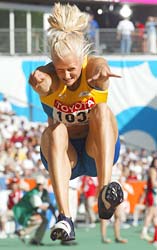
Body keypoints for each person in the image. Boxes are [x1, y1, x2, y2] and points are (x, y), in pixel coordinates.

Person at [29, 3, 124, 243]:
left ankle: (105, 191)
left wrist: (102, 72)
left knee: (102, 110)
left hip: (96, 152)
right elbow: (45, 82)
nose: (67, 76)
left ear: (81, 60)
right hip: (65, 157)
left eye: (71, 69)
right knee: (55, 129)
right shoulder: (50, 76)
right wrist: (38, 82)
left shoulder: (91, 67)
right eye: (61, 70)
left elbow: (99, 66)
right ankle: (65, 218)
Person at [13, 175, 49, 245]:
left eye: (41, 184)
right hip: (20, 212)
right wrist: (51, 206)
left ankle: (34, 238)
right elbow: (40, 206)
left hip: (23, 211)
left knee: (44, 220)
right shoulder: (34, 194)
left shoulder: (38, 192)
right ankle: (23, 233)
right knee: (40, 220)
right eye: (39, 184)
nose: (40, 186)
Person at [141, 157, 157, 242]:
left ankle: (155, 234)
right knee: (150, 214)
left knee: (154, 215)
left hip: (154, 194)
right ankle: (144, 232)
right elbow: (154, 184)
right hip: (152, 194)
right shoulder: (152, 170)